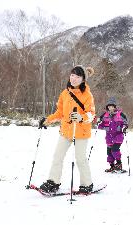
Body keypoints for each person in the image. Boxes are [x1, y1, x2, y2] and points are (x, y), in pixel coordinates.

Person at [38, 65, 96, 194]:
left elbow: (92, 114)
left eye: (77, 76)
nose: (73, 78)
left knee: (80, 159)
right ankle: (53, 182)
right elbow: (60, 113)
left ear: (83, 79)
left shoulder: (87, 95)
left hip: (81, 132)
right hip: (66, 130)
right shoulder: (65, 93)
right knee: (57, 156)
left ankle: (87, 184)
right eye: (72, 75)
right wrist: (47, 120)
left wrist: (81, 117)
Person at [98, 97, 128, 173]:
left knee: (114, 150)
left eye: (112, 106)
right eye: (109, 106)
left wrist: (124, 127)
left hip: (118, 136)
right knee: (109, 152)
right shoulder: (104, 115)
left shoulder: (120, 114)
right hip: (109, 137)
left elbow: (125, 122)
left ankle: (119, 165)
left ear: (115, 107)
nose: (110, 108)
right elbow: (100, 123)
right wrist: (98, 123)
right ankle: (112, 166)